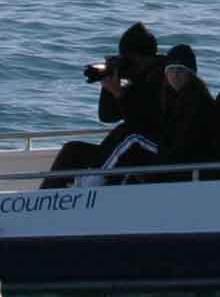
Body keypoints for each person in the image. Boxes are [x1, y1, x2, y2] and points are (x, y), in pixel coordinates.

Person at [45, 22, 167, 185]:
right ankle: (48, 199)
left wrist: (119, 93)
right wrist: (108, 83)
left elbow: (141, 126)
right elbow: (107, 116)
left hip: (148, 151)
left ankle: (88, 191)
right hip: (129, 148)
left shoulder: (162, 78)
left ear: (139, 58)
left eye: (128, 59)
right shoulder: (138, 77)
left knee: (122, 137)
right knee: (72, 151)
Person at [156, 44, 218, 172]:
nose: (175, 75)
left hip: (191, 164)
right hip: (181, 161)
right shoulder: (171, 97)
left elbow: (184, 144)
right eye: (171, 69)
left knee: (134, 140)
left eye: (181, 70)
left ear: (191, 74)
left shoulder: (197, 101)